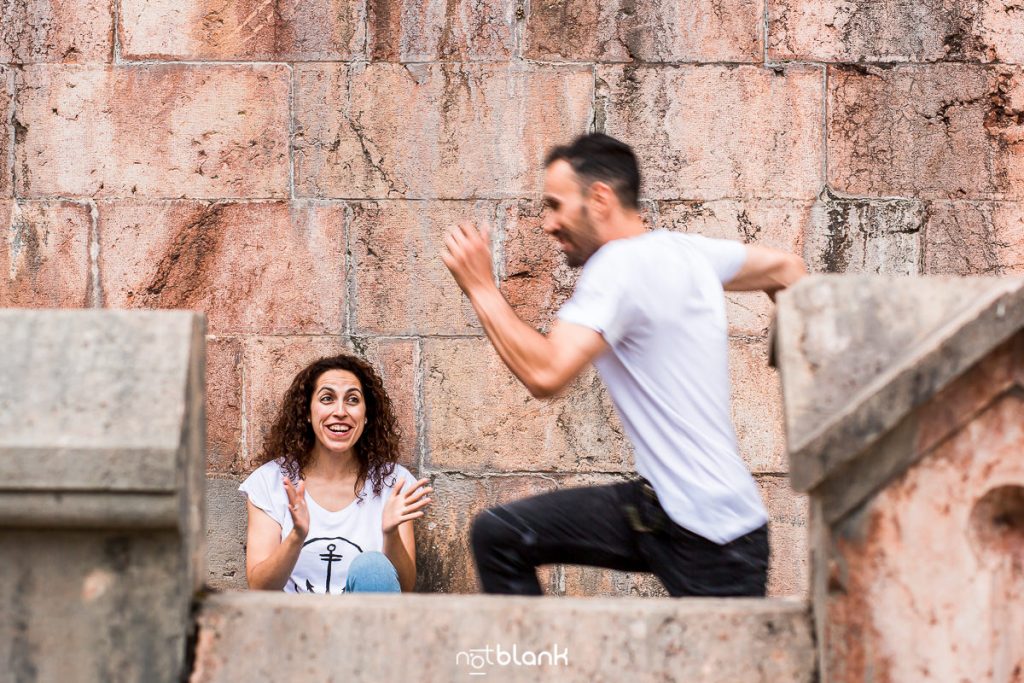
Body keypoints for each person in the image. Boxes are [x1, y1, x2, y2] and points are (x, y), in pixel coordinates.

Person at [441, 133, 807, 597]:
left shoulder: (617, 266)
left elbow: (546, 374)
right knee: (500, 534)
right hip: (663, 510)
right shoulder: (685, 251)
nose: (549, 224)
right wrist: (802, 362)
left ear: (599, 198)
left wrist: (481, 287)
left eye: (556, 205)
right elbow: (788, 271)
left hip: (713, 536)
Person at [240, 354, 432, 594]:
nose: (340, 411)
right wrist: (296, 536)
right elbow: (259, 587)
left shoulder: (393, 483)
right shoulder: (271, 482)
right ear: (307, 412)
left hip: (366, 622)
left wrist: (390, 533)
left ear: (366, 414)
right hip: (292, 624)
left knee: (372, 567)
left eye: (352, 400)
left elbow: (404, 588)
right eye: (327, 399)